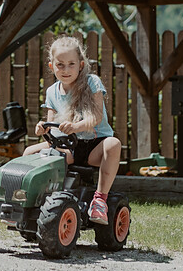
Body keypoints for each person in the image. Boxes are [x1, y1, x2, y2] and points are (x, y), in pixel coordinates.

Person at [23, 35, 121, 225]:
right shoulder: (52, 91)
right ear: (52, 66)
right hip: (68, 146)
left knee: (114, 144)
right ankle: (25, 200)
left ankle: (100, 200)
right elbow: (52, 126)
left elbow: (96, 117)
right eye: (60, 65)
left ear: (81, 65)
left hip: (94, 145)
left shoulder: (92, 83)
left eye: (71, 64)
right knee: (28, 152)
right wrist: (42, 128)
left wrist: (75, 127)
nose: (66, 70)